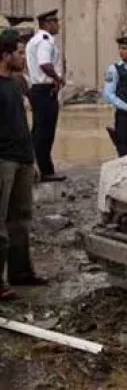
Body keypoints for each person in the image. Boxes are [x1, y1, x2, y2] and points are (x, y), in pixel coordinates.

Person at [0, 32, 47, 300]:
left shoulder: (16, 84)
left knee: (21, 219)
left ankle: (20, 272)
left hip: (23, 159)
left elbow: (22, 125)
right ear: (5, 56)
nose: (23, 57)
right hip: (3, 160)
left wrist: (33, 159)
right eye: (19, 52)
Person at [25, 9, 66, 182]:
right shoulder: (45, 41)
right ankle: (45, 171)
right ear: (48, 23)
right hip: (45, 90)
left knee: (39, 131)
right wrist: (58, 78)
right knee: (45, 133)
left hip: (38, 89)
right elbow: (44, 64)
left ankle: (37, 168)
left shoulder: (34, 40)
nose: (58, 25)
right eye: (55, 22)